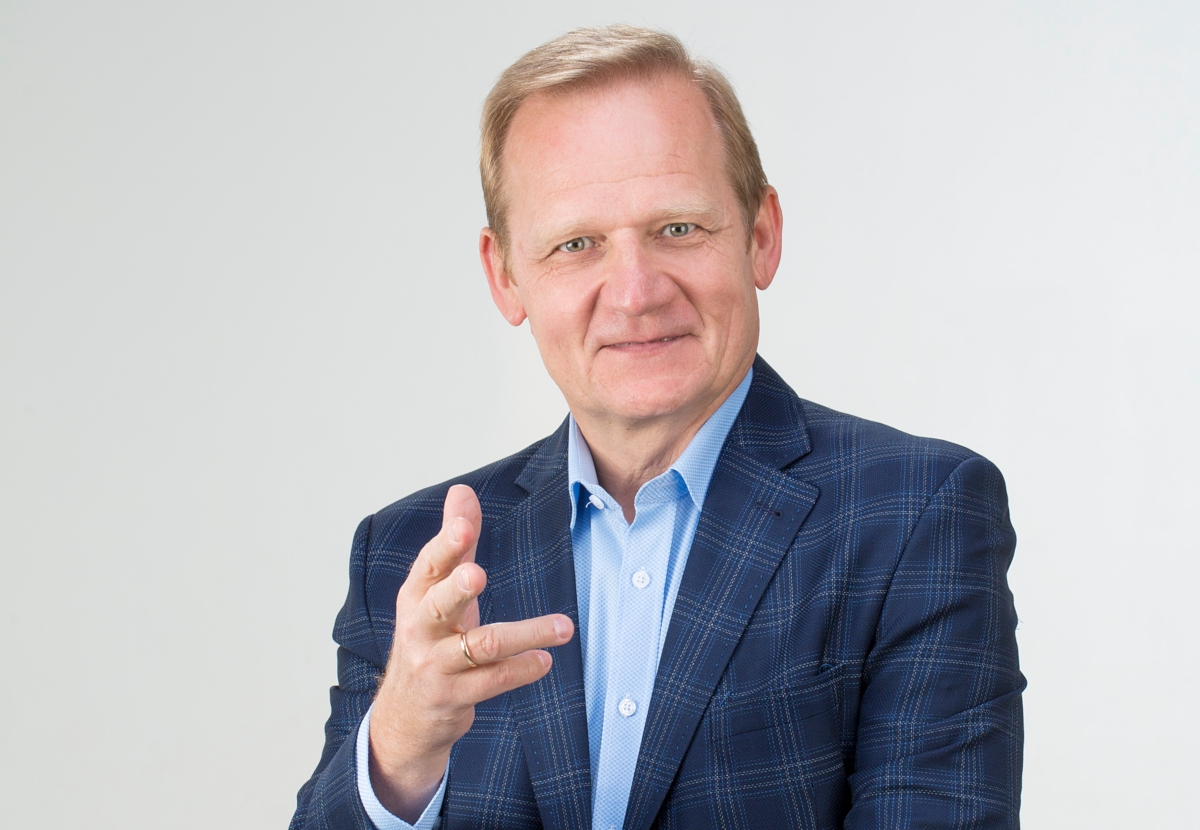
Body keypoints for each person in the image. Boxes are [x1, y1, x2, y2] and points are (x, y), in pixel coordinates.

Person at [290, 25, 1024, 830]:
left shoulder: (916, 515)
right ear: (505, 276)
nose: (636, 292)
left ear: (761, 236)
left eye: (678, 228)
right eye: (577, 244)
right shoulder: (407, 559)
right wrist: (399, 748)